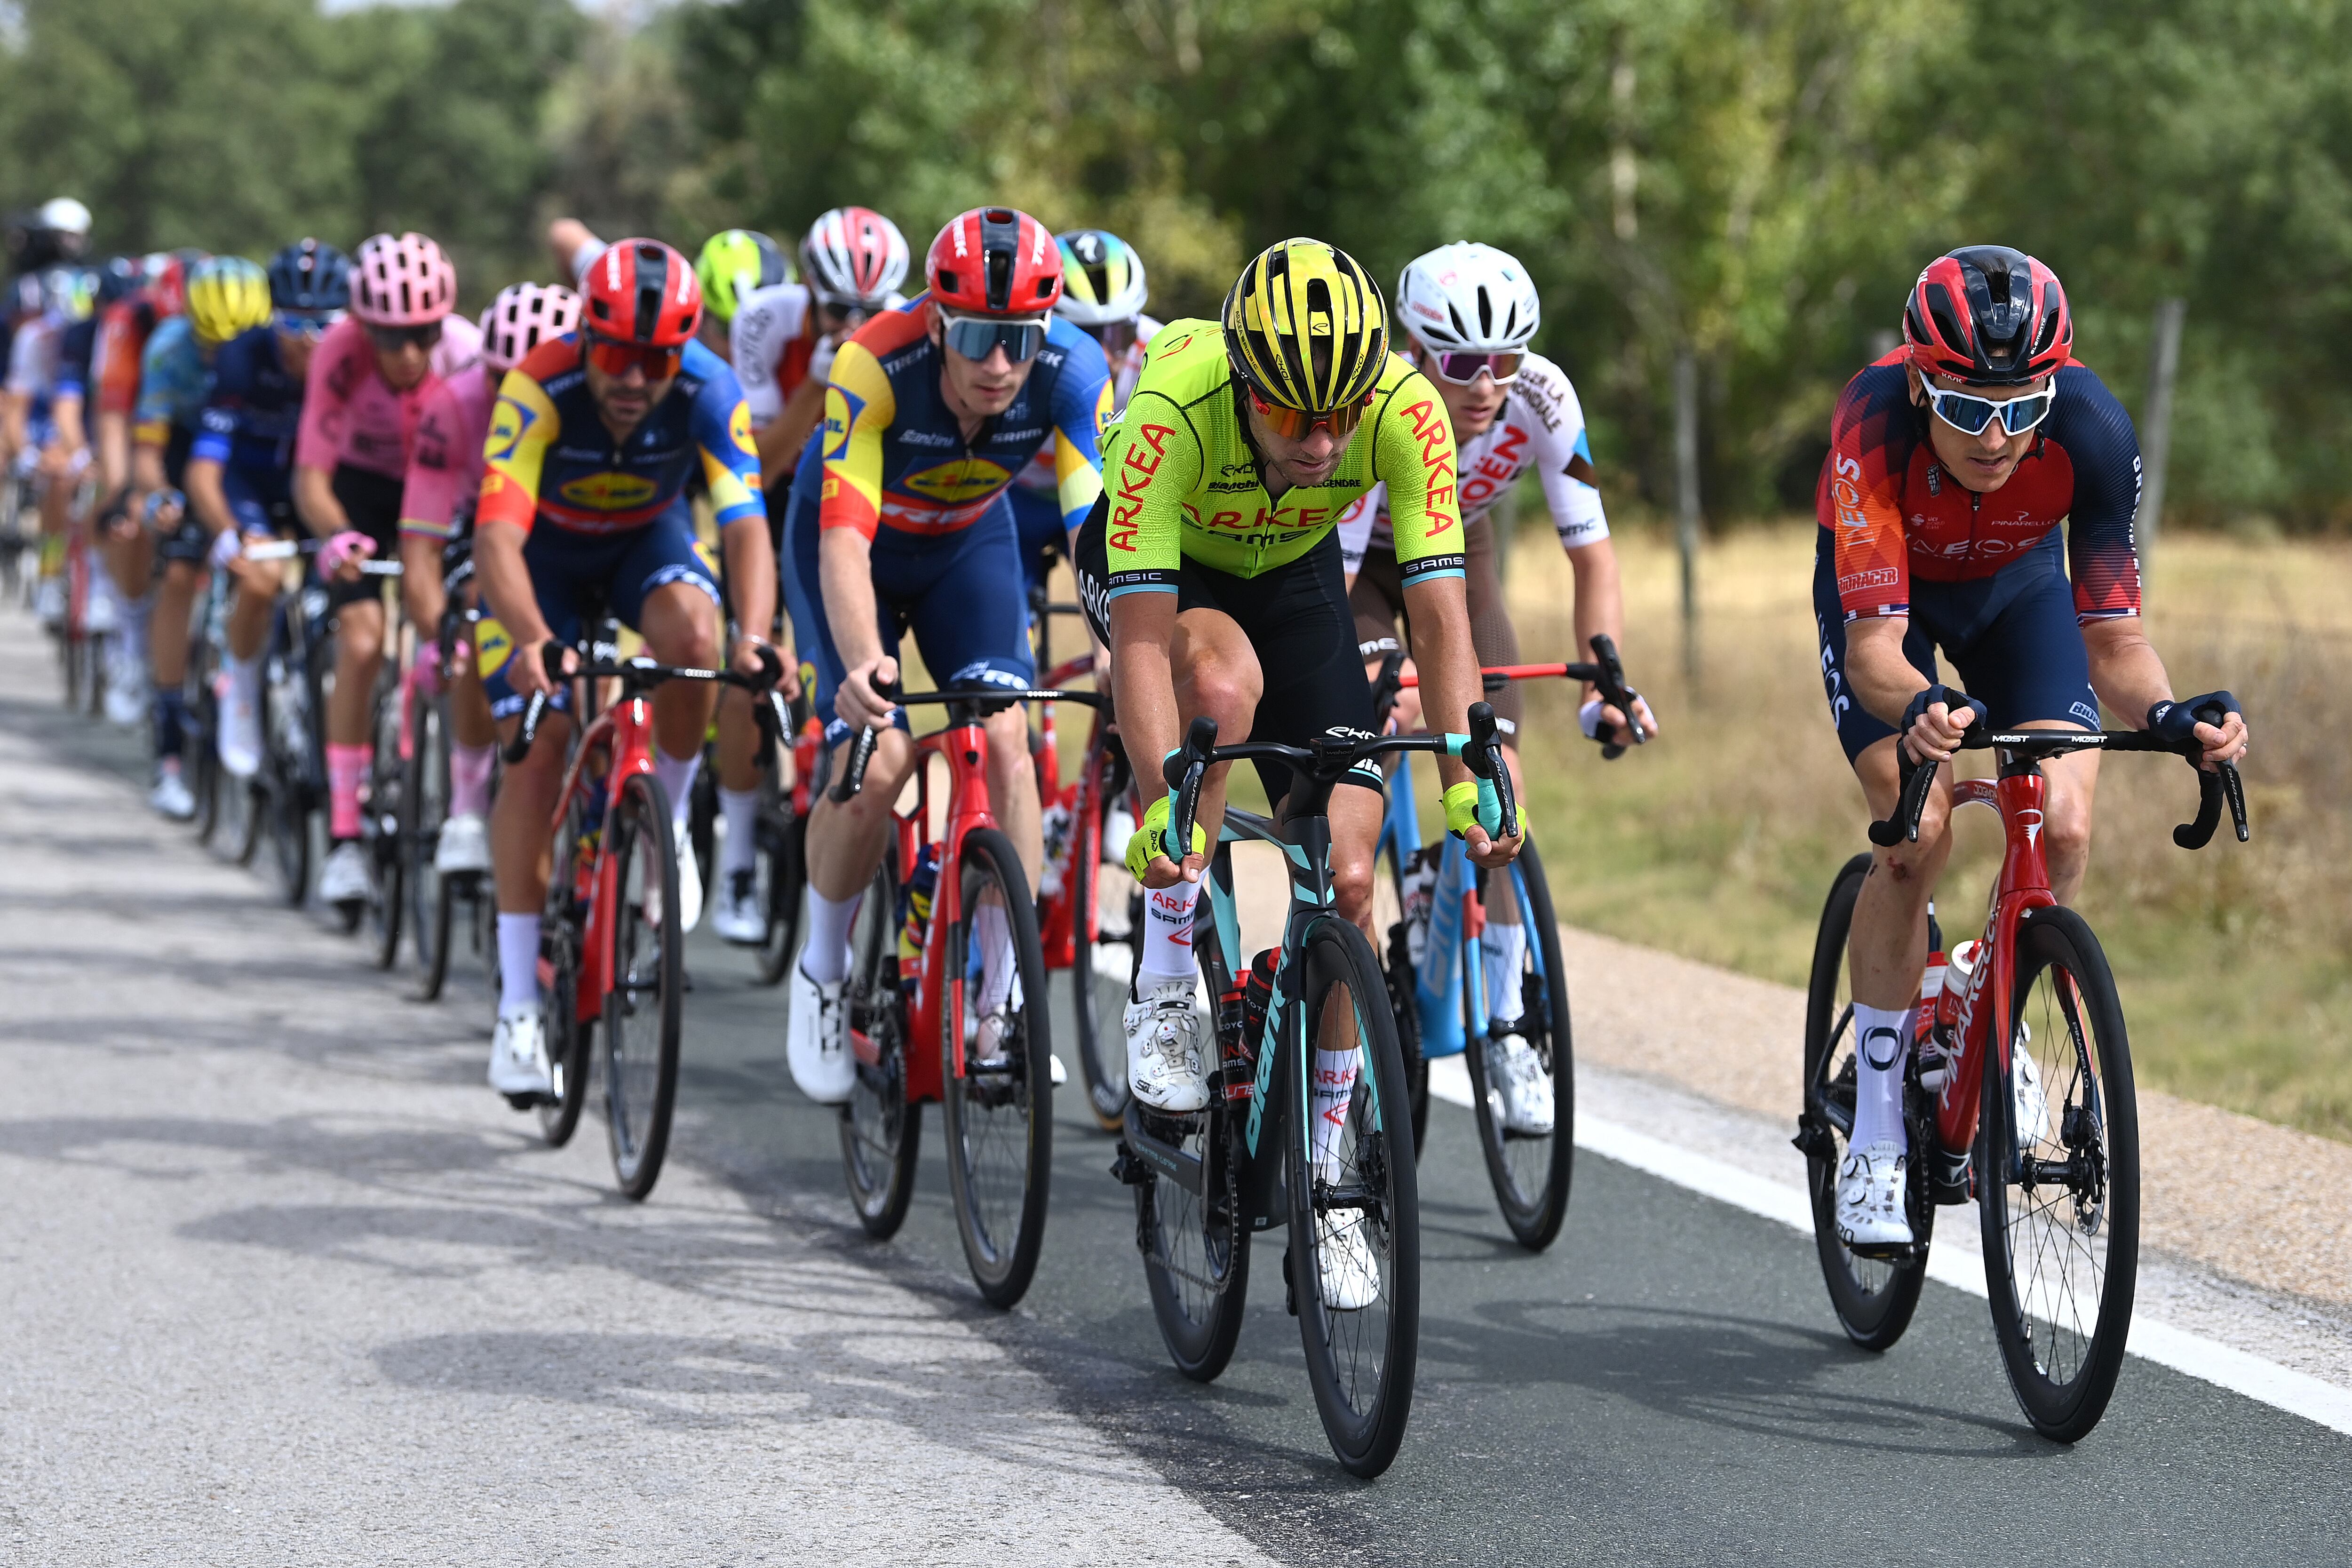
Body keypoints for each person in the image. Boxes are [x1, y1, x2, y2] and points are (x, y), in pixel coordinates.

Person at [1074, 237, 1520, 1305]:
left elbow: (1437, 612)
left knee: (1352, 880)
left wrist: (1471, 764)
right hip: (1164, 574)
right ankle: (1171, 969)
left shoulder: (1402, 412)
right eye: (1294, 418)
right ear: (1246, 386)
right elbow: (1139, 646)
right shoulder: (1173, 410)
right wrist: (1157, 810)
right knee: (1220, 689)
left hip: (1296, 576)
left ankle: (1327, 1166)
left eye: (1340, 416)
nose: (1323, 443)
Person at [1816, 246, 2250, 1249]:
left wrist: (2173, 716)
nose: (1998, 435)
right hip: (1897, 611)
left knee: (2059, 828)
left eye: (2022, 405)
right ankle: (1878, 1129)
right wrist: (1924, 704)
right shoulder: (1873, 421)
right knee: (1916, 834)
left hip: (2021, 597)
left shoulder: (2093, 429)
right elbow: (1875, 649)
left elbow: (2114, 641)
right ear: (1922, 381)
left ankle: (1976, 984)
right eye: (1968, 409)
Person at [781, 206, 1108, 1104]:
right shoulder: (875, 363)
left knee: (1010, 742)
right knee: (876, 752)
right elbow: (843, 541)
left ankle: (999, 1003)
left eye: (1020, 340)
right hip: (852, 549)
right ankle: (819, 969)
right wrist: (858, 665)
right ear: (935, 322)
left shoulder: (1078, 371)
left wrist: (1121, 639)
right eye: (974, 336)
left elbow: (1097, 529)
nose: (999, 364)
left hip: (969, 545)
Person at [1337, 241, 1661, 1135]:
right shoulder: (1378, 402)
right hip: (1357, 563)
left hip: (1460, 549)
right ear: (1412, 348)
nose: (1486, 385)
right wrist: (1385, 667)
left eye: (1505, 360)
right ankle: (1381, 911)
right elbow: (1343, 565)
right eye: (1461, 363)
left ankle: (1511, 1022)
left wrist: (1607, 668)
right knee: (1393, 707)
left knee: (1501, 779)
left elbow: (1589, 548)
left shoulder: (1546, 397)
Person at [474, 238, 776, 1099]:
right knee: (540, 747)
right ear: (585, 337)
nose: (636, 377)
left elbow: (745, 521)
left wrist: (752, 635)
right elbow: (495, 533)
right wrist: (530, 635)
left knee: (695, 640)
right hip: (546, 561)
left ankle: (666, 821)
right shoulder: (539, 384)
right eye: (618, 354)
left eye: (657, 359)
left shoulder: (710, 386)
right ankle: (519, 1009)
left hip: (646, 545)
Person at [707, 205, 912, 945]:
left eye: (871, 310)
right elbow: (754, 465)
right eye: (836, 308)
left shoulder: (906, 341)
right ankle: (734, 860)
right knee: (750, 660)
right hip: (770, 502)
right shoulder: (767, 319)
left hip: (851, 507)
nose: (850, 322)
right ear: (807, 290)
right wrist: (814, 392)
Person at [292, 232, 481, 911]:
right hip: (363, 492)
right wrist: (336, 533)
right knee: (365, 640)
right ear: (364, 327)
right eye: (389, 337)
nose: (407, 354)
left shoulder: (466, 352)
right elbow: (311, 476)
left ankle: (467, 814)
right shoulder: (340, 353)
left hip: (444, 493)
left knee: (466, 638)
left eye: (422, 335)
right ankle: (344, 839)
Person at [397, 280, 582, 879]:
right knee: (480, 610)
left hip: (563, 532)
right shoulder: (452, 405)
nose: (516, 398)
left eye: (534, 383)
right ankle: (468, 807)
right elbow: (421, 546)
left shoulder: (596, 406)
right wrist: (436, 638)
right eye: (502, 381)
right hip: (477, 527)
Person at [195, 240, 349, 780]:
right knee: (261, 580)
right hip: (249, 483)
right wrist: (229, 534)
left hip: (316, 484)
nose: (307, 342)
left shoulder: (352, 360)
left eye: (322, 325)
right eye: (292, 324)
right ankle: (240, 686)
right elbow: (205, 470)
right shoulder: (243, 355)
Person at [129, 256, 272, 815]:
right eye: (212, 346)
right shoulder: (169, 349)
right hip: (187, 449)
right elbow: (148, 451)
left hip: (251, 458)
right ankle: (168, 728)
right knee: (183, 571)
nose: (225, 359)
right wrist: (159, 494)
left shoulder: (275, 354)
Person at [1006, 228, 1160, 605]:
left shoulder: (1157, 354)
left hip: (1103, 496)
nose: (1105, 354)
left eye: (1119, 333)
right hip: (1018, 497)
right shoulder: (1011, 355)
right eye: (1084, 334)